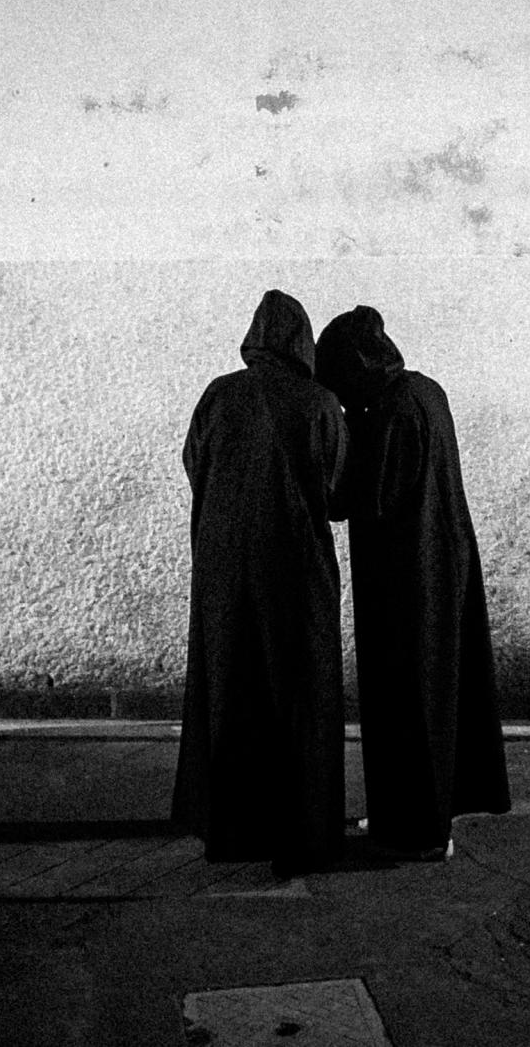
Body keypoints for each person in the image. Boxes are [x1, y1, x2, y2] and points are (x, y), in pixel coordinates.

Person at [315, 306, 510, 859]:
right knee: (437, 692)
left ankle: (419, 831)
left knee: (408, 697)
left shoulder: (392, 411)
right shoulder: (425, 391)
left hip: (406, 577)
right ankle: (418, 816)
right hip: (440, 563)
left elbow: (368, 497)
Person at [172, 289, 349, 875]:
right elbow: (337, 492)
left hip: (224, 568)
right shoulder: (320, 403)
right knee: (301, 693)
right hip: (296, 570)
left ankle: (234, 831)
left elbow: (193, 463)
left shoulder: (219, 395)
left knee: (232, 686)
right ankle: (304, 836)